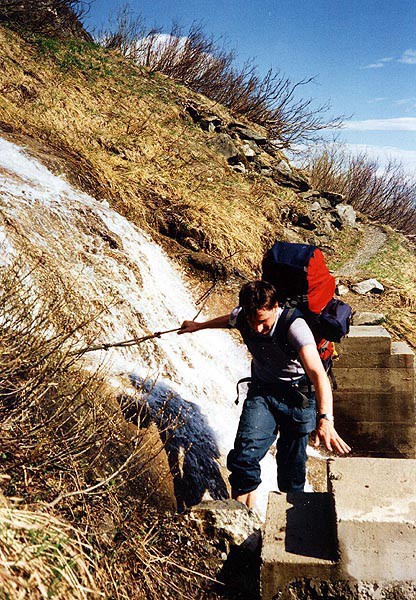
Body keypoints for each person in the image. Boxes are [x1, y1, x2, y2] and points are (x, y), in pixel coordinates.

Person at [179, 280, 350, 509]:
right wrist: (199, 326)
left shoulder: (294, 326)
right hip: (263, 393)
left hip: (297, 400)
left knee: (291, 472)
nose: (258, 329)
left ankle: (293, 523)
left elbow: (318, 375)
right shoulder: (243, 316)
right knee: (243, 459)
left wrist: (325, 419)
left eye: (263, 322)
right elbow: (228, 320)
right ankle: (241, 519)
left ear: (275, 307)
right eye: (252, 321)